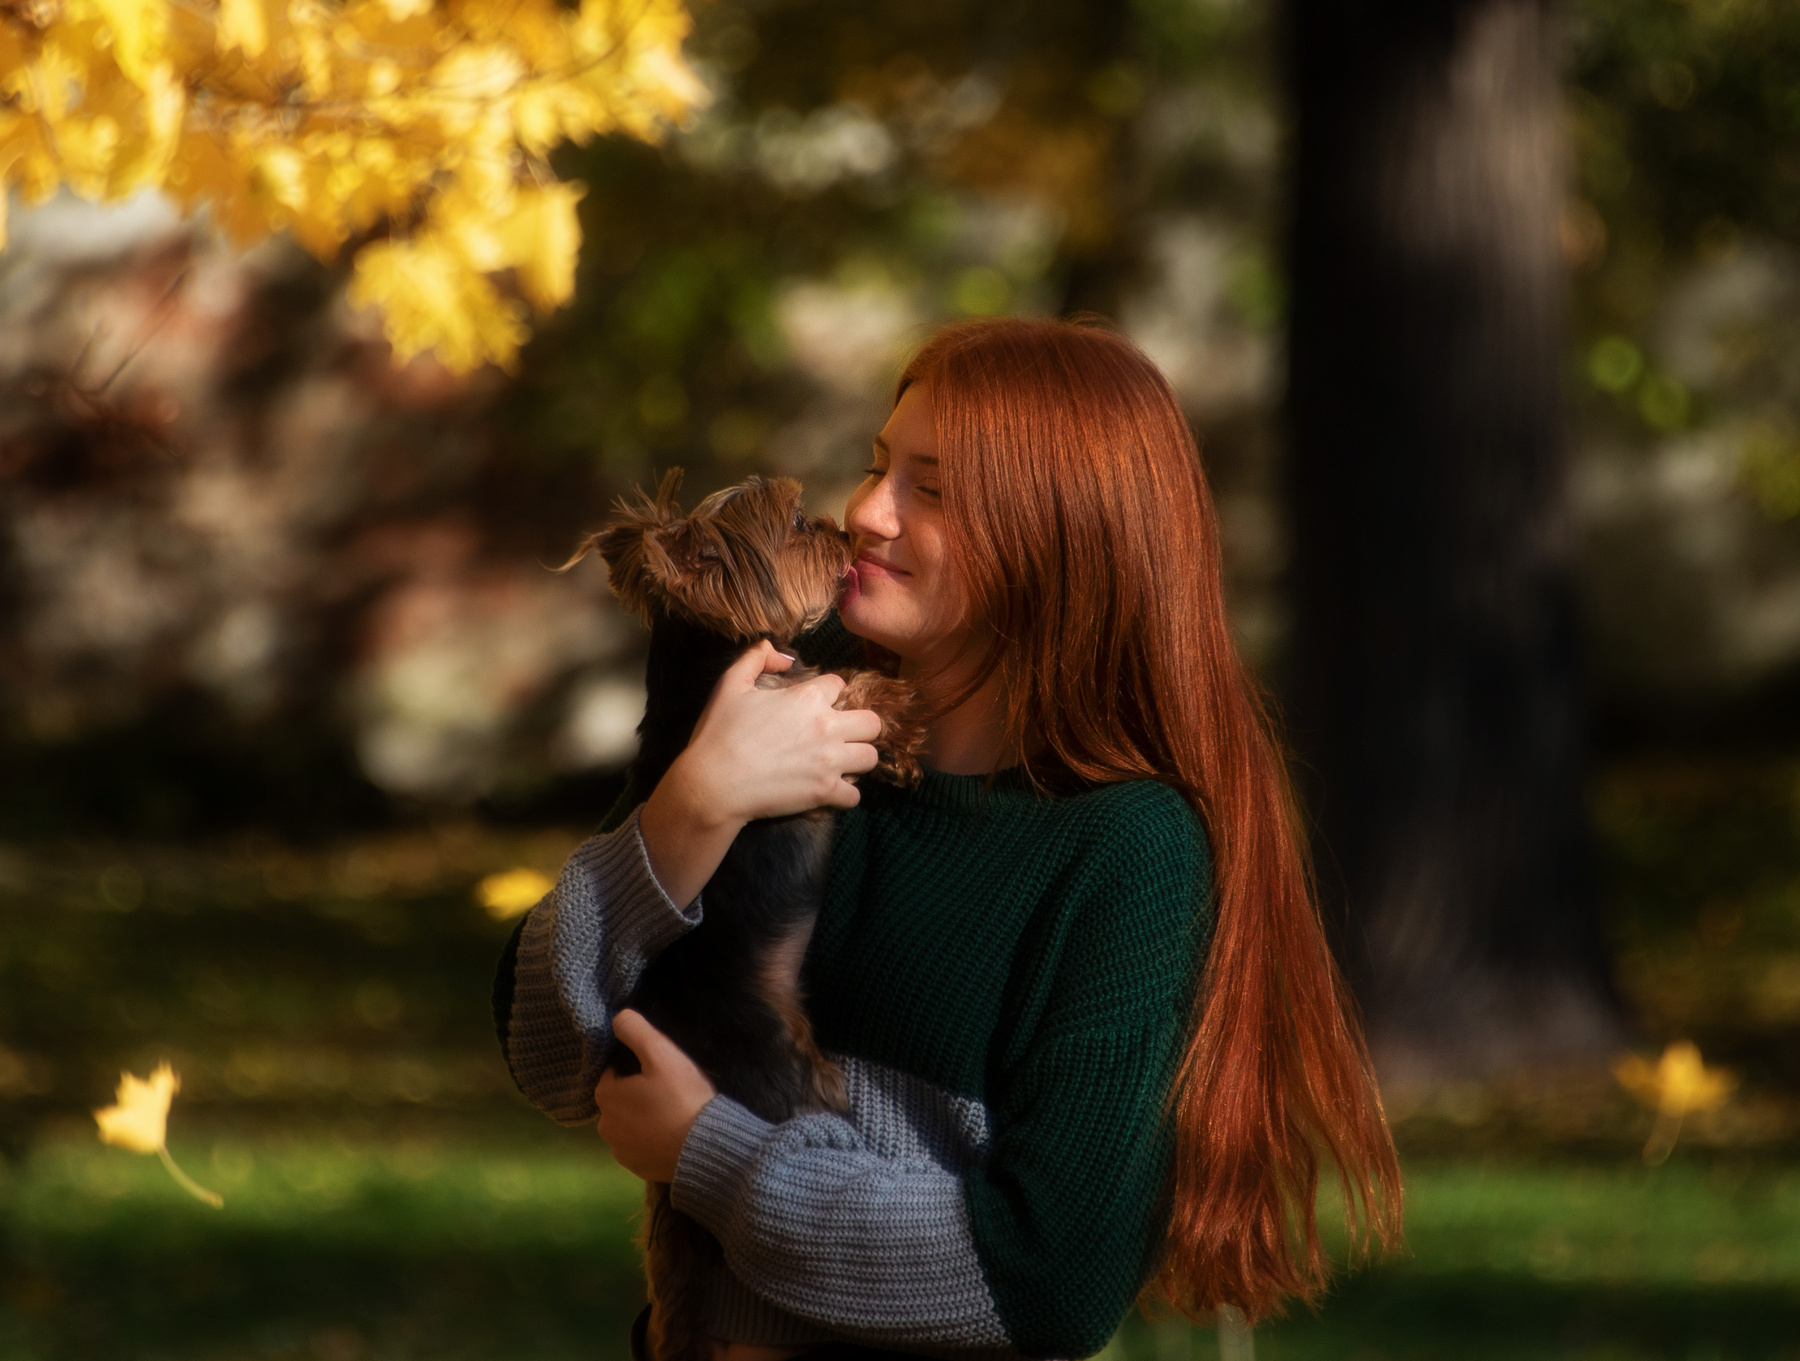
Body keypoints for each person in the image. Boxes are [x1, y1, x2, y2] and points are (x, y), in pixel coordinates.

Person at [493, 316, 1402, 1361]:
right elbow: (545, 1052)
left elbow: (1048, 1278)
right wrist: (692, 807)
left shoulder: (1124, 848)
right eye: (878, 466)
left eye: (930, 489)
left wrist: (713, 1155)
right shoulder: (783, 711)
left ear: (1058, 537)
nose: (865, 512)